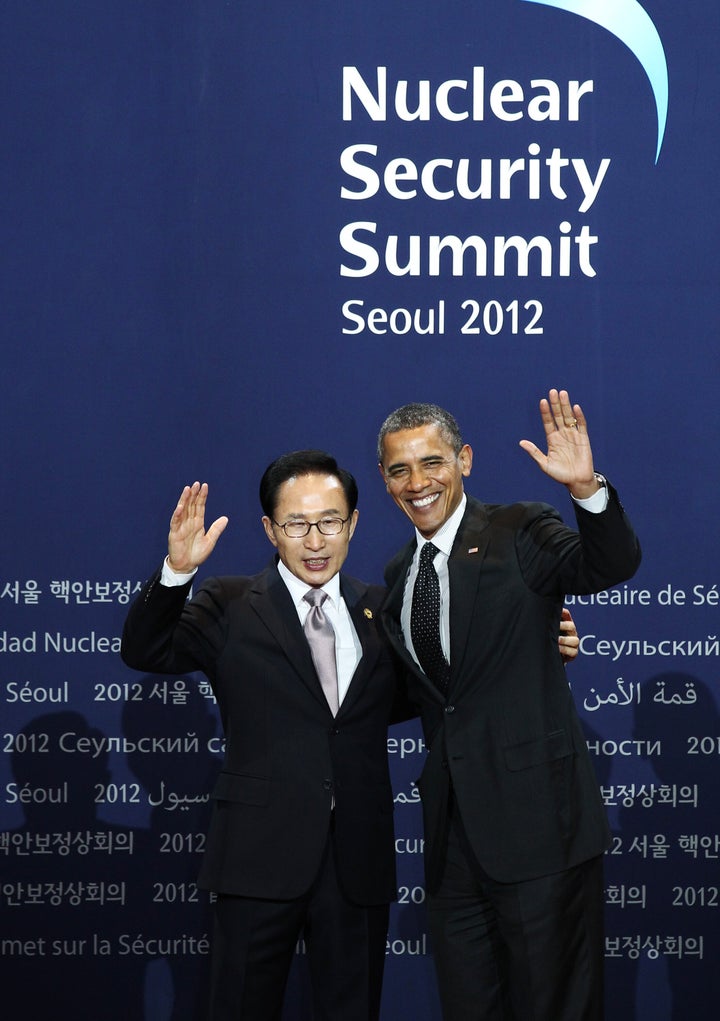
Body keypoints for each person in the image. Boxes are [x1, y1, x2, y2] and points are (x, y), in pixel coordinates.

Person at [376, 390, 642, 1021]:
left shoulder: (519, 528)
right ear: (385, 482)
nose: (418, 483)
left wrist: (586, 491)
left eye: (432, 462)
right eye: (398, 470)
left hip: (540, 833)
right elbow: (426, 697)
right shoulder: (397, 578)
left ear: (464, 460)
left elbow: (609, 564)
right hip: (452, 849)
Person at [121, 451, 409, 1021]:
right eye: (297, 525)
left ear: (352, 523)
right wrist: (177, 574)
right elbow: (145, 650)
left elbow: (436, 687)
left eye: (330, 522)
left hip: (357, 858)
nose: (315, 540)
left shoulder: (380, 609)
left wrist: (539, 648)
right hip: (258, 856)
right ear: (270, 530)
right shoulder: (229, 603)